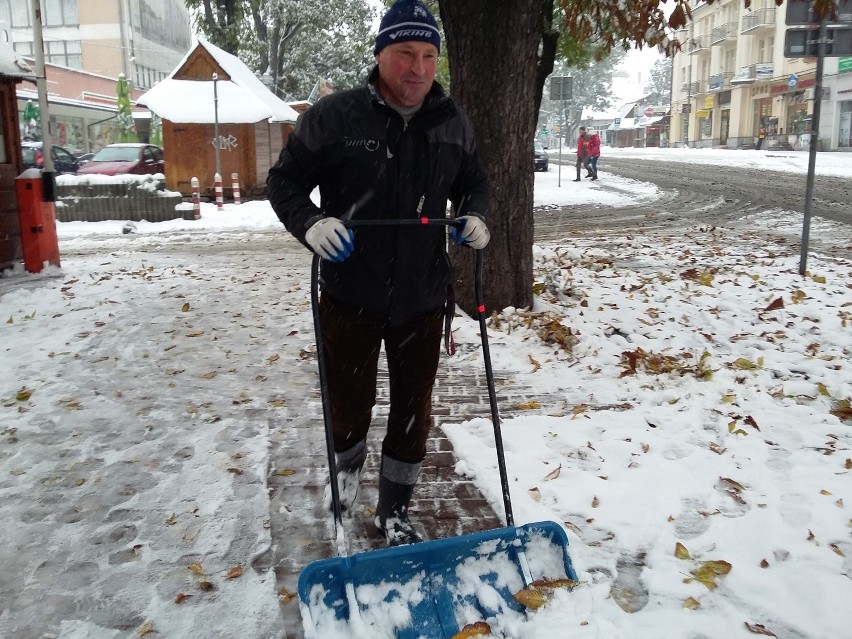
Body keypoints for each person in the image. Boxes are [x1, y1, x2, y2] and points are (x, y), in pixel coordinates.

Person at [266, 0, 490, 547]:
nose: (417, 68)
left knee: (414, 410)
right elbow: (284, 181)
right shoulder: (336, 117)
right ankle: (344, 484)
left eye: (428, 55)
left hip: (420, 295)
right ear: (379, 54)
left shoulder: (452, 121)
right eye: (404, 53)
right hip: (350, 295)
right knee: (349, 402)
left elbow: (475, 182)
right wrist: (311, 223)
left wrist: (476, 215)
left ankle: (395, 509)